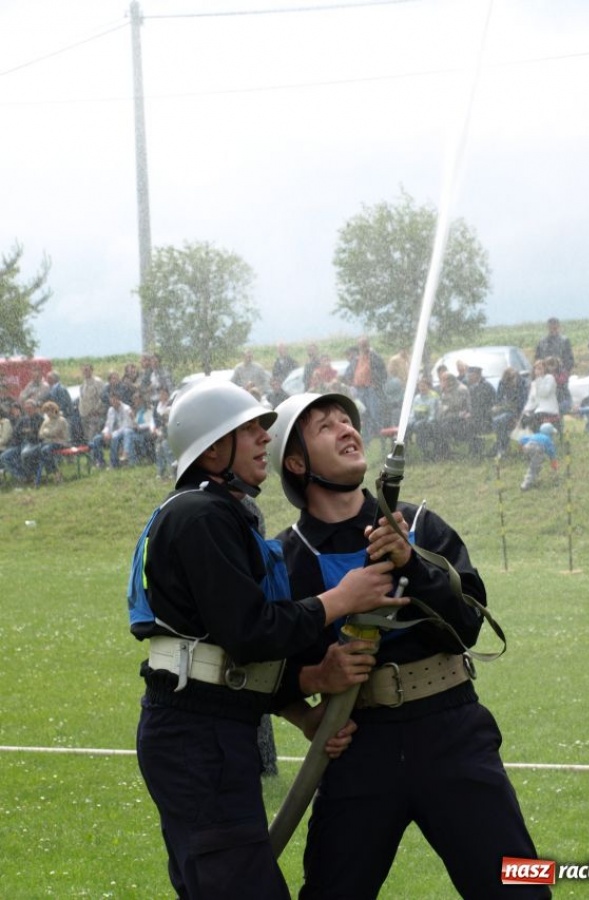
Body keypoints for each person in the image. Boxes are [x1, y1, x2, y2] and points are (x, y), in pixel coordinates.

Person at [268, 392, 550, 900]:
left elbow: (467, 626)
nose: (347, 429)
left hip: (453, 732)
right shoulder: (285, 556)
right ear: (295, 461)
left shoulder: (420, 524)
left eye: (347, 421)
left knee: (521, 887)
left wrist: (412, 564)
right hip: (358, 746)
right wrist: (308, 695)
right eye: (325, 427)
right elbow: (262, 658)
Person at [132, 377, 404, 899]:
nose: (264, 438)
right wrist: (341, 600)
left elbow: (231, 650)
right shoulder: (200, 515)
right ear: (213, 449)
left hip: (209, 732)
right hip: (198, 738)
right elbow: (250, 632)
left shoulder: (217, 512)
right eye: (250, 429)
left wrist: (302, 713)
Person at [344, 336, 388, 442]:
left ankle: (378, 434)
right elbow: (349, 373)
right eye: (360, 344)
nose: (363, 346)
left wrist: (376, 384)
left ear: (368, 344)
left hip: (371, 389)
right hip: (359, 390)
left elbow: (383, 373)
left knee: (374, 412)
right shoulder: (356, 359)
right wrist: (350, 385)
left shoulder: (374, 357)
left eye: (364, 344)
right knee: (362, 413)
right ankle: (365, 435)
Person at [535, 318, 575, 412]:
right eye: (551, 326)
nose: (553, 328)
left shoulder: (564, 341)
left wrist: (564, 374)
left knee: (560, 403)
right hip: (545, 377)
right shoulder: (542, 342)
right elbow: (537, 358)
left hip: (560, 378)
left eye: (555, 326)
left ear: (558, 327)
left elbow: (569, 360)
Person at [0, 399, 43, 483]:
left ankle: (30, 475)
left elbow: (38, 434)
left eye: (30, 408)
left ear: (34, 408)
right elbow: (16, 433)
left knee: (25, 453)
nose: (28, 410)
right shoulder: (23, 420)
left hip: (34, 443)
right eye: (26, 408)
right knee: (5, 456)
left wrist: (28, 432)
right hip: (20, 444)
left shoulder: (40, 419)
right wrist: (26, 432)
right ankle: (21, 476)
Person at [90, 391, 135, 468]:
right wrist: (105, 432)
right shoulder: (110, 410)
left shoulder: (126, 409)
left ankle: (113, 463)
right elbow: (108, 424)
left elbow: (126, 425)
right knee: (96, 439)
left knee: (115, 438)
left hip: (122, 432)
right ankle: (101, 462)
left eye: (114, 400)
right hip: (111, 433)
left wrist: (112, 434)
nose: (113, 402)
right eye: (111, 400)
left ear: (119, 400)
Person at [492, 366, 528, 457]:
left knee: (500, 421)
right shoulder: (502, 383)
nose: (509, 384)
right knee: (498, 421)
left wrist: (518, 417)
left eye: (511, 381)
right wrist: (497, 406)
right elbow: (498, 399)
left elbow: (523, 403)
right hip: (507, 410)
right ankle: (502, 445)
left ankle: (502, 446)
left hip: (519, 411)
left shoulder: (522, 384)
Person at [34, 400, 71, 483]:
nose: (47, 414)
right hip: (50, 442)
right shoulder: (46, 421)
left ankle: (54, 472)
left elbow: (54, 432)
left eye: (49, 411)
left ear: (54, 410)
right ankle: (55, 472)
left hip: (62, 442)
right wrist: (48, 433)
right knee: (39, 451)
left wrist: (46, 432)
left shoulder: (61, 420)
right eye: (46, 412)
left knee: (45, 450)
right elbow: (40, 434)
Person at [465, 365, 497, 457]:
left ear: (476, 375)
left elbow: (489, 404)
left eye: (470, 375)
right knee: (467, 424)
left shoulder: (486, 386)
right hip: (475, 415)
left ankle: (479, 450)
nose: (469, 377)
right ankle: (473, 450)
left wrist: (475, 414)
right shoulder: (472, 387)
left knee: (477, 424)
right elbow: (471, 405)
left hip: (486, 416)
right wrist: (468, 413)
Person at [521, 359, 559, 433]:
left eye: (540, 368)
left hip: (549, 409)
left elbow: (544, 393)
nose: (538, 371)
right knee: (524, 419)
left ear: (545, 369)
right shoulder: (534, 383)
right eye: (536, 368)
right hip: (538, 410)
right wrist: (526, 410)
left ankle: (539, 438)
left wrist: (538, 379)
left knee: (534, 419)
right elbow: (532, 400)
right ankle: (531, 437)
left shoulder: (549, 378)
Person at [518, 422, 559, 491]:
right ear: (550, 433)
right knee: (534, 468)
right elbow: (552, 457)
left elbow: (521, 440)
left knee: (533, 463)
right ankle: (525, 485)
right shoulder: (548, 440)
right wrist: (555, 469)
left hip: (527, 447)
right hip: (538, 449)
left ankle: (533, 478)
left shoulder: (535, 435)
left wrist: (521, 450)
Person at [408, 377, 440, 460]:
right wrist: (410, 421)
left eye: (423, 386)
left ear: (428, 386)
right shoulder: (417, 397)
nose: (421, 388)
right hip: (417, 419)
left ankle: (425, 452)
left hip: (429, 420)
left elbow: (433, 412)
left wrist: (429, 421)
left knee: (420, 426)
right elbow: (412, 411)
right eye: (420, 386)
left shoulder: (433, 396)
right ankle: (404, 450)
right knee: (407, 426)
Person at [78, 364, 106, 441]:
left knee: (93, 436)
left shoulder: (98, 382)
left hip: (95, 415)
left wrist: (96, 409)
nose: (85, 372)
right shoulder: (83, 384)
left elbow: (102, 397)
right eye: (83, 370)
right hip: (84, 415)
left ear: (92, 370)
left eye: (87, 370)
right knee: (87, 437)